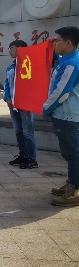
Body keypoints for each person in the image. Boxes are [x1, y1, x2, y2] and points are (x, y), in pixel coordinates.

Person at [43, 27, 79, 207]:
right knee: (71, 153)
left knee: (72, 154)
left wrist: (46, 108)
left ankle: (75, 190)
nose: (54, 44)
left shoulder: (71, 64)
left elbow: (62, 91)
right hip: (67, 114)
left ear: (68, 43)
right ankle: (72, 183)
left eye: (56, 41)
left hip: (66, 115)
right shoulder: (67, 60)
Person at [4, 40, 38, 169]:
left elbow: (34, 86)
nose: (10, 51)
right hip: (13, 105)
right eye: (9, 48)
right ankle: (23, 155)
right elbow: (7, 85)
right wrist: (7, 98)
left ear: (20, 49)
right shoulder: (10, 68)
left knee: (27, 132)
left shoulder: (29, 66)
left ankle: (31, 158)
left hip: (25, 104)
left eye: (12, 48)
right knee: (19, 131)